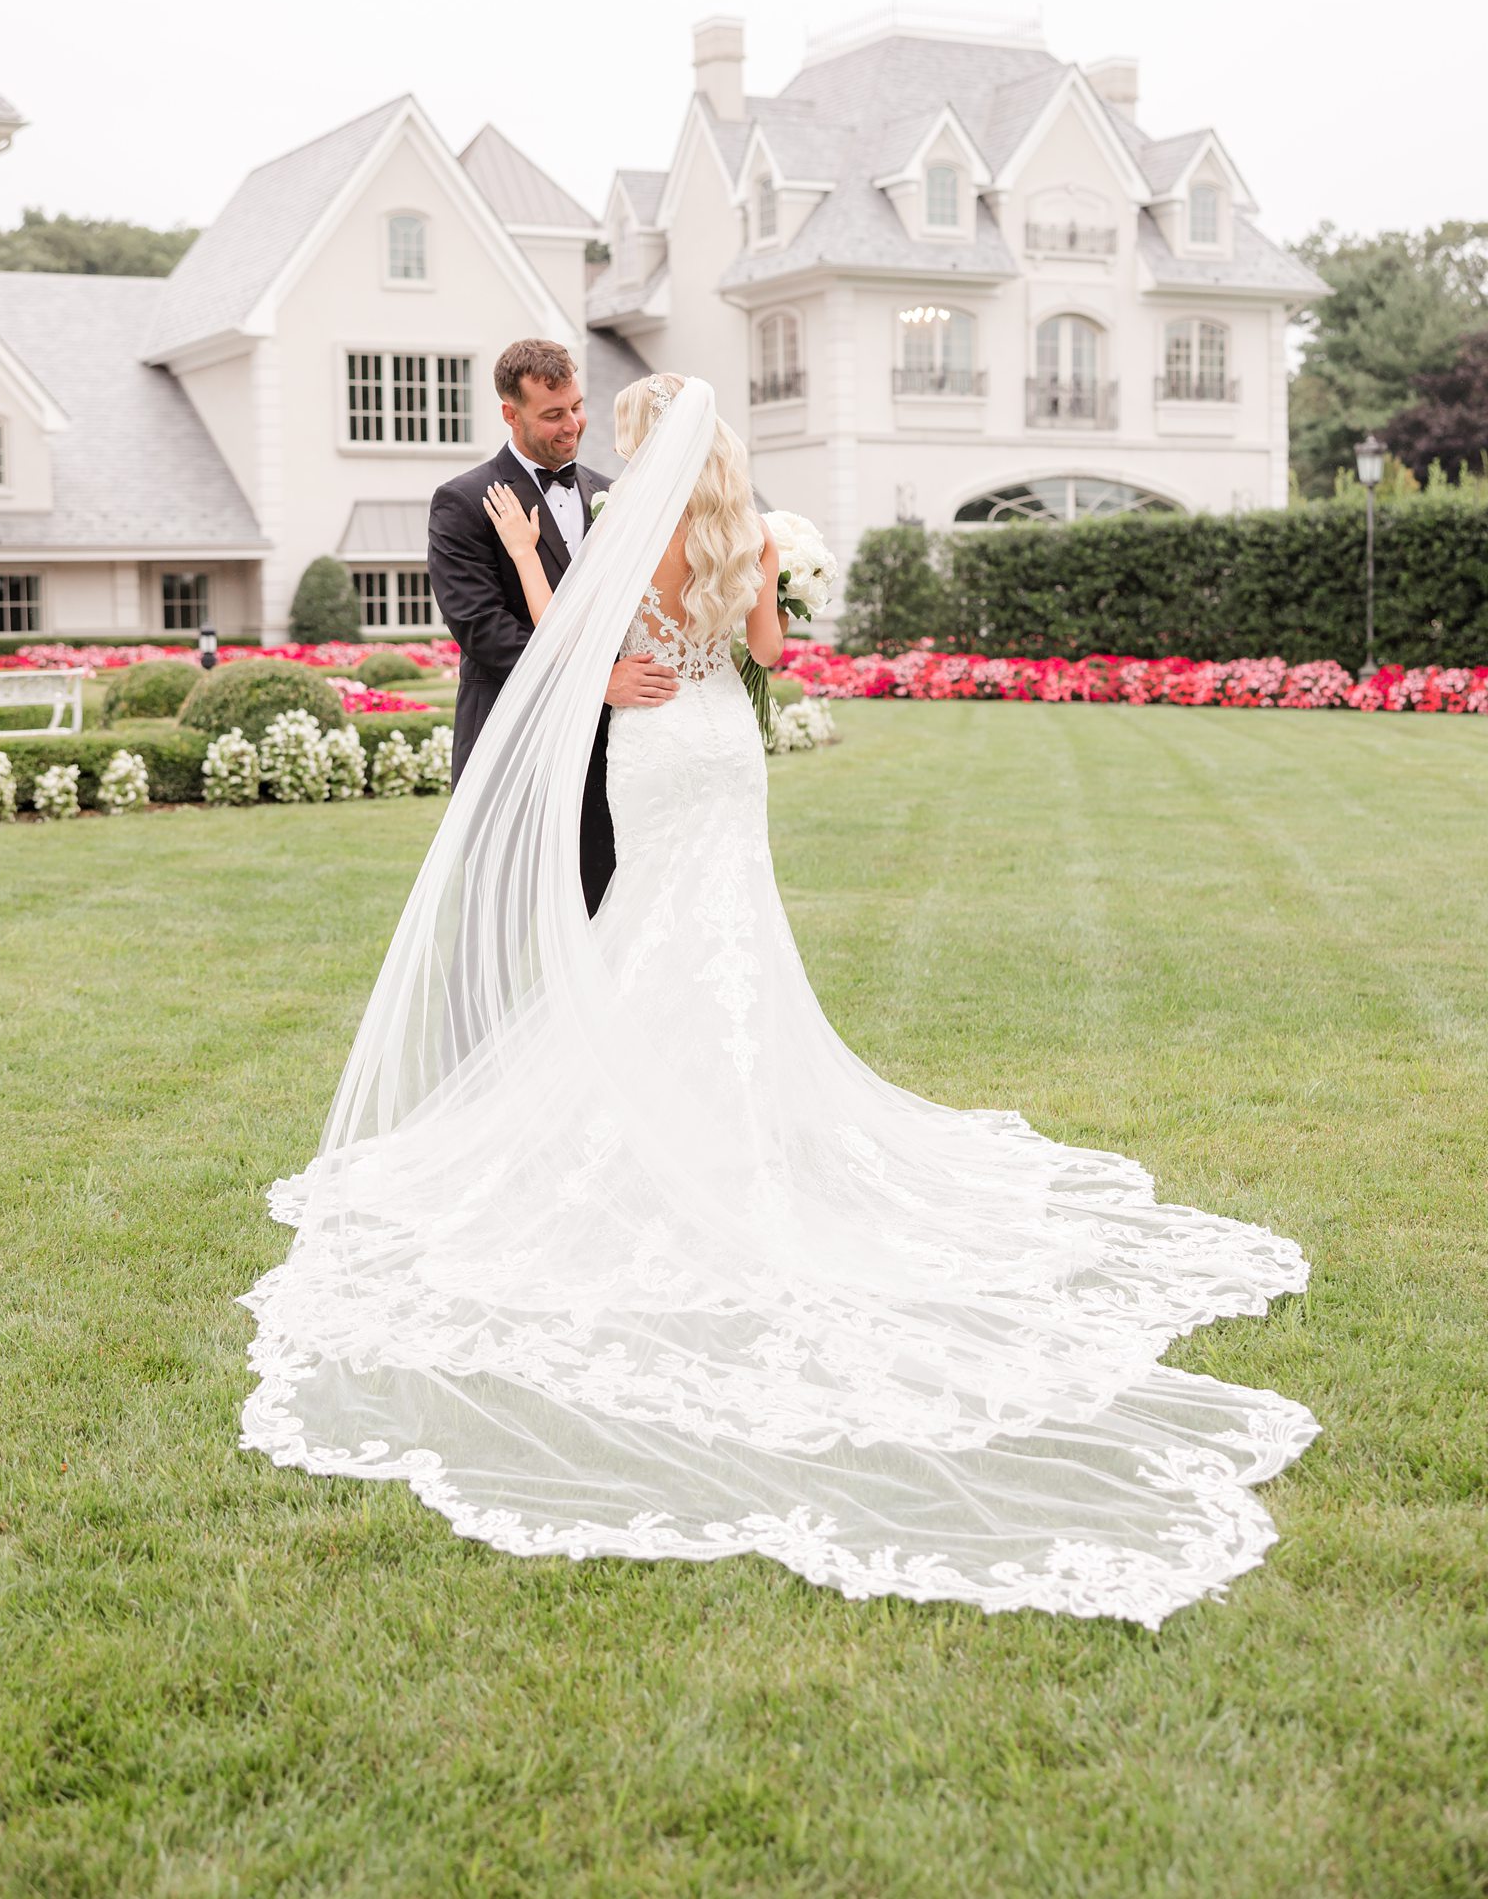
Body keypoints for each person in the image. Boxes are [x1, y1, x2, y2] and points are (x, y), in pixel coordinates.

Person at [240, 374, 1317, 1625]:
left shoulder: (622, 532)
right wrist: (764, 582)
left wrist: (540, 567)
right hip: (721, 747)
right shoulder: (739, 533)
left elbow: (574, 647)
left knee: (649, 928)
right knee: (727, 932)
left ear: (639, 447)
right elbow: (765, 655)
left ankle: (649, 1122)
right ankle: (727, 1116)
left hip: (648, 747)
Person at [426, 337, 678, 915]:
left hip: (607, 746)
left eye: (578, 406)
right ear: (510, 413)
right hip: (511, 739)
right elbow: (482, 630)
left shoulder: (611, 493)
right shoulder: (462, 501)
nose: (574, 425)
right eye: (553, 414)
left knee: (605, 913)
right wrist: (596, 680)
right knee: (496, 922)